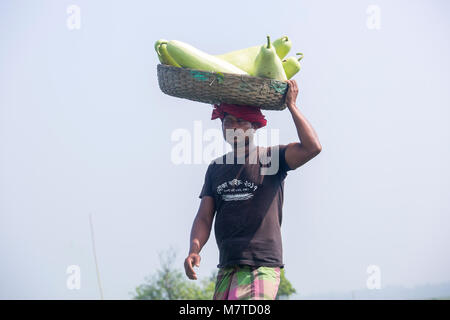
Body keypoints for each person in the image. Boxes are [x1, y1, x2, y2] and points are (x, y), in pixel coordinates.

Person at [184, 79, 322, 300]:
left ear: (255, 126)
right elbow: (204, 217)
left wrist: (292, 106)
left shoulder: (271, 158)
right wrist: (194, 248)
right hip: (228, 266)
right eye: (228, 121)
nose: (233, 127)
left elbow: (312, 147)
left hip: (261, 265)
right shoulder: (216, 168)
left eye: (241, 121)